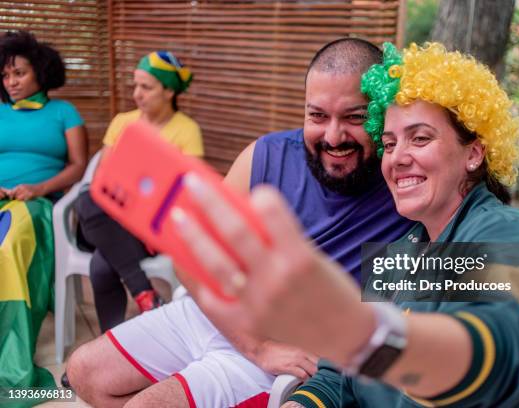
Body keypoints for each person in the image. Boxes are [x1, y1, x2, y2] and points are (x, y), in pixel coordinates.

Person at [171, 43, 519, 407]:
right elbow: (339, 375)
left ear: (474, 153)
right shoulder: (403, 250)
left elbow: (501, 351)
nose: (398, 157)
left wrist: (365, 333)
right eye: (389, 143)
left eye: (420, 138)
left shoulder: (505, 236)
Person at [67, 38, 414, 407]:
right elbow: (188, 255)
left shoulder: (404, 184)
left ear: (381, 113)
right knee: (84, 371)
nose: (332, 136)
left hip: (290, 346)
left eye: (354, 117)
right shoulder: (266, 154)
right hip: (220, 317)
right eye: (317, 115)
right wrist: (253, 344)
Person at [74, 51, 204, 333]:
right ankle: (144, 293)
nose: (137, 94)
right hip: (109, 216)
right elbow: (103, 182)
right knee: (87, 199)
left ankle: (112, 340)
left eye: (146, 87)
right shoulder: (123, 121)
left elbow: (184, 192)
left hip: (150, 226)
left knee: (100, 267)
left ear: (169, 91)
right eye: (136, 86)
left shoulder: (187, 131)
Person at [0, 30, 88, 397]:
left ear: (40, 70)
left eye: (18, 73)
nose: (11, 82)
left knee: (7, 249)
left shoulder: (63, 112)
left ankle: (10, 361)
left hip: (35, 205)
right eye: (4, 76)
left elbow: (79, 166)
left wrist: (39, 189)